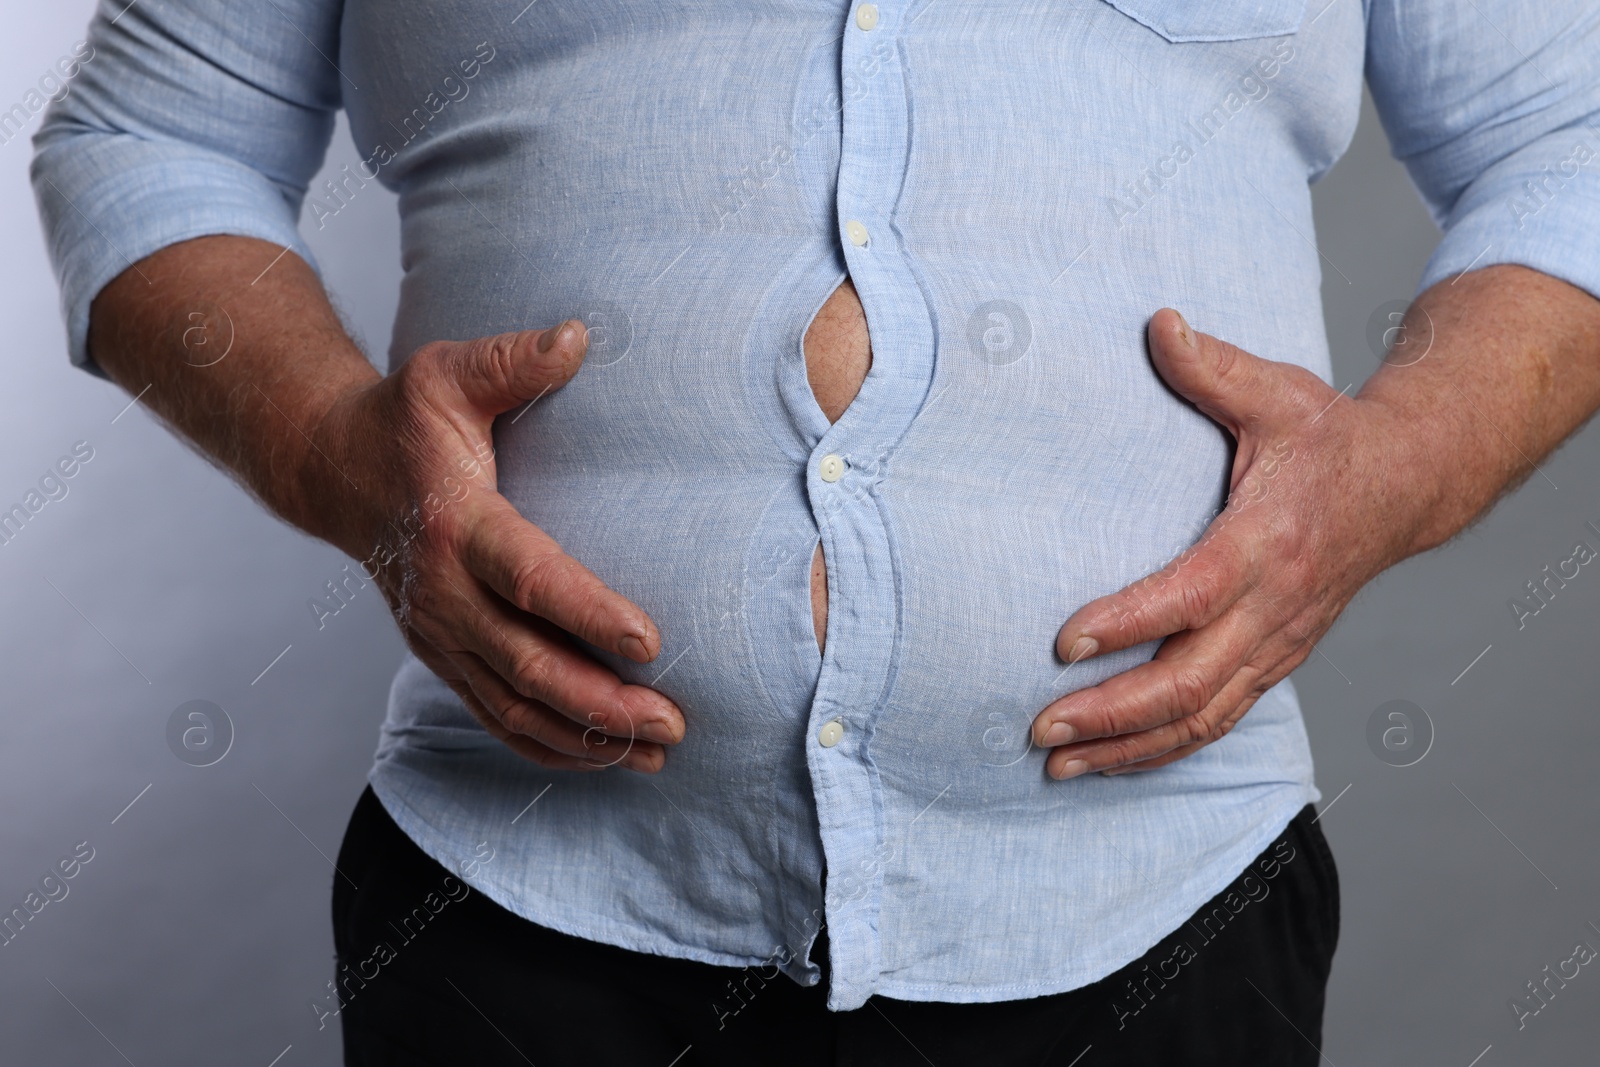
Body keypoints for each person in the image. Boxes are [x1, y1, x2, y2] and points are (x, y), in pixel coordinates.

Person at [31, 1, 1600, 1063]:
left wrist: (1392, 466)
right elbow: (145, 139)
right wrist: (333, 454)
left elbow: (1571, 140)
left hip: (1160, 915)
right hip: (522, 913)